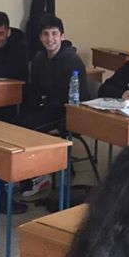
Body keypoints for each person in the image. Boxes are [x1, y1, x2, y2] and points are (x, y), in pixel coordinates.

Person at [11, 14, 86, 199]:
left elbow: (79, 97)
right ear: (40, 37)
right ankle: (22, 172)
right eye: (45, 34)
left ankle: (40, 175)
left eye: (54, 34)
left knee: (28, 127)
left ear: (62, 35)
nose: (50, 39)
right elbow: (36, 89)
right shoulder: (39, 59)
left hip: (65, 113)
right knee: (13, 123)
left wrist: (46, 102)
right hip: (45, 107)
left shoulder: (73, 61)